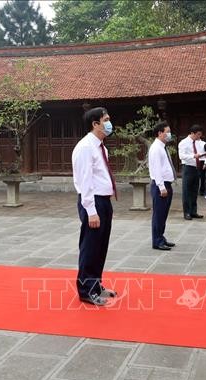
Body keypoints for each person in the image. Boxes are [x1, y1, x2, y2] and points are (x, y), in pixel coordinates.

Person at [71, 107, 118, 306]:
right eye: (105, 120)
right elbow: (84, 181)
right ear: (95, 124)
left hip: (104, 201)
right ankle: (85, 290)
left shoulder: (101, 147)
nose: (109, 123)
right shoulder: (85, 147)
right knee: (90, 247)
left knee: (101, 246)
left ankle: (96, 284)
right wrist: (91, 210)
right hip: (93, 202)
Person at [148, 121, 176, 251]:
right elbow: (156, 170)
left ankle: (161, 237)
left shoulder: (162, 147)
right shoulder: (155, 148)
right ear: (160, 133)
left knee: (163, 214)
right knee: (159, 214)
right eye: (167, 132)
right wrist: (161, 187)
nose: (169, 134)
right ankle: (157, 241)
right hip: (161, 185)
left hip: (166, 184)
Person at [178, 124, 206, 220]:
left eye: (200, 135)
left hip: (197, 168)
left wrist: (205, 158)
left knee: (195, 191)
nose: (199, 136)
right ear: (192, 133)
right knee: (187, 191)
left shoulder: (198, 142)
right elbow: (181, 156)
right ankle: (186, 212)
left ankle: (193, 211)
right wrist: (193, 156)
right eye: (198, 134)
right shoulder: (183, 143)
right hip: (188, 167)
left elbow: (201, 153)